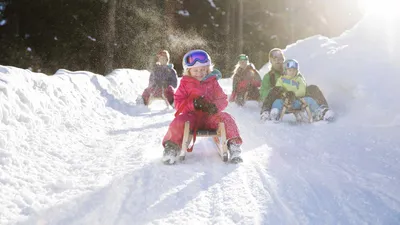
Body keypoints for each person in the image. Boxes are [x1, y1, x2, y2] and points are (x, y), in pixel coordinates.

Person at [162, 49, 243, 165]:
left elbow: (223, 99)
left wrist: (214, 107)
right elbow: (178, 102)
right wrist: (193, 104)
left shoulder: (212, 82)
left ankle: (234, 146)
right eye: (196, 70)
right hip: (192, 116)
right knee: (179, 121)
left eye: (203, 70)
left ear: (208, 69)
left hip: (211, 116)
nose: (200, 73)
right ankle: (171, 147)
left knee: (226, 118)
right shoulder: (185, 83)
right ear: (189, 71)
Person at [259, 48, 334, 121]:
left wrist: (296, 93)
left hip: (297, 98)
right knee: (276, 89)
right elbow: (263, 92)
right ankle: (266, 112)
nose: (279, 61)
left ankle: (323, 111)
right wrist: (282, 94)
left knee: (313, 88)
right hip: (280, 100)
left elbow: (302, 84)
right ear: (271, 61)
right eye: (276, 59)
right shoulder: (269, 76)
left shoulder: (293, 70)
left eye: (281, 59)